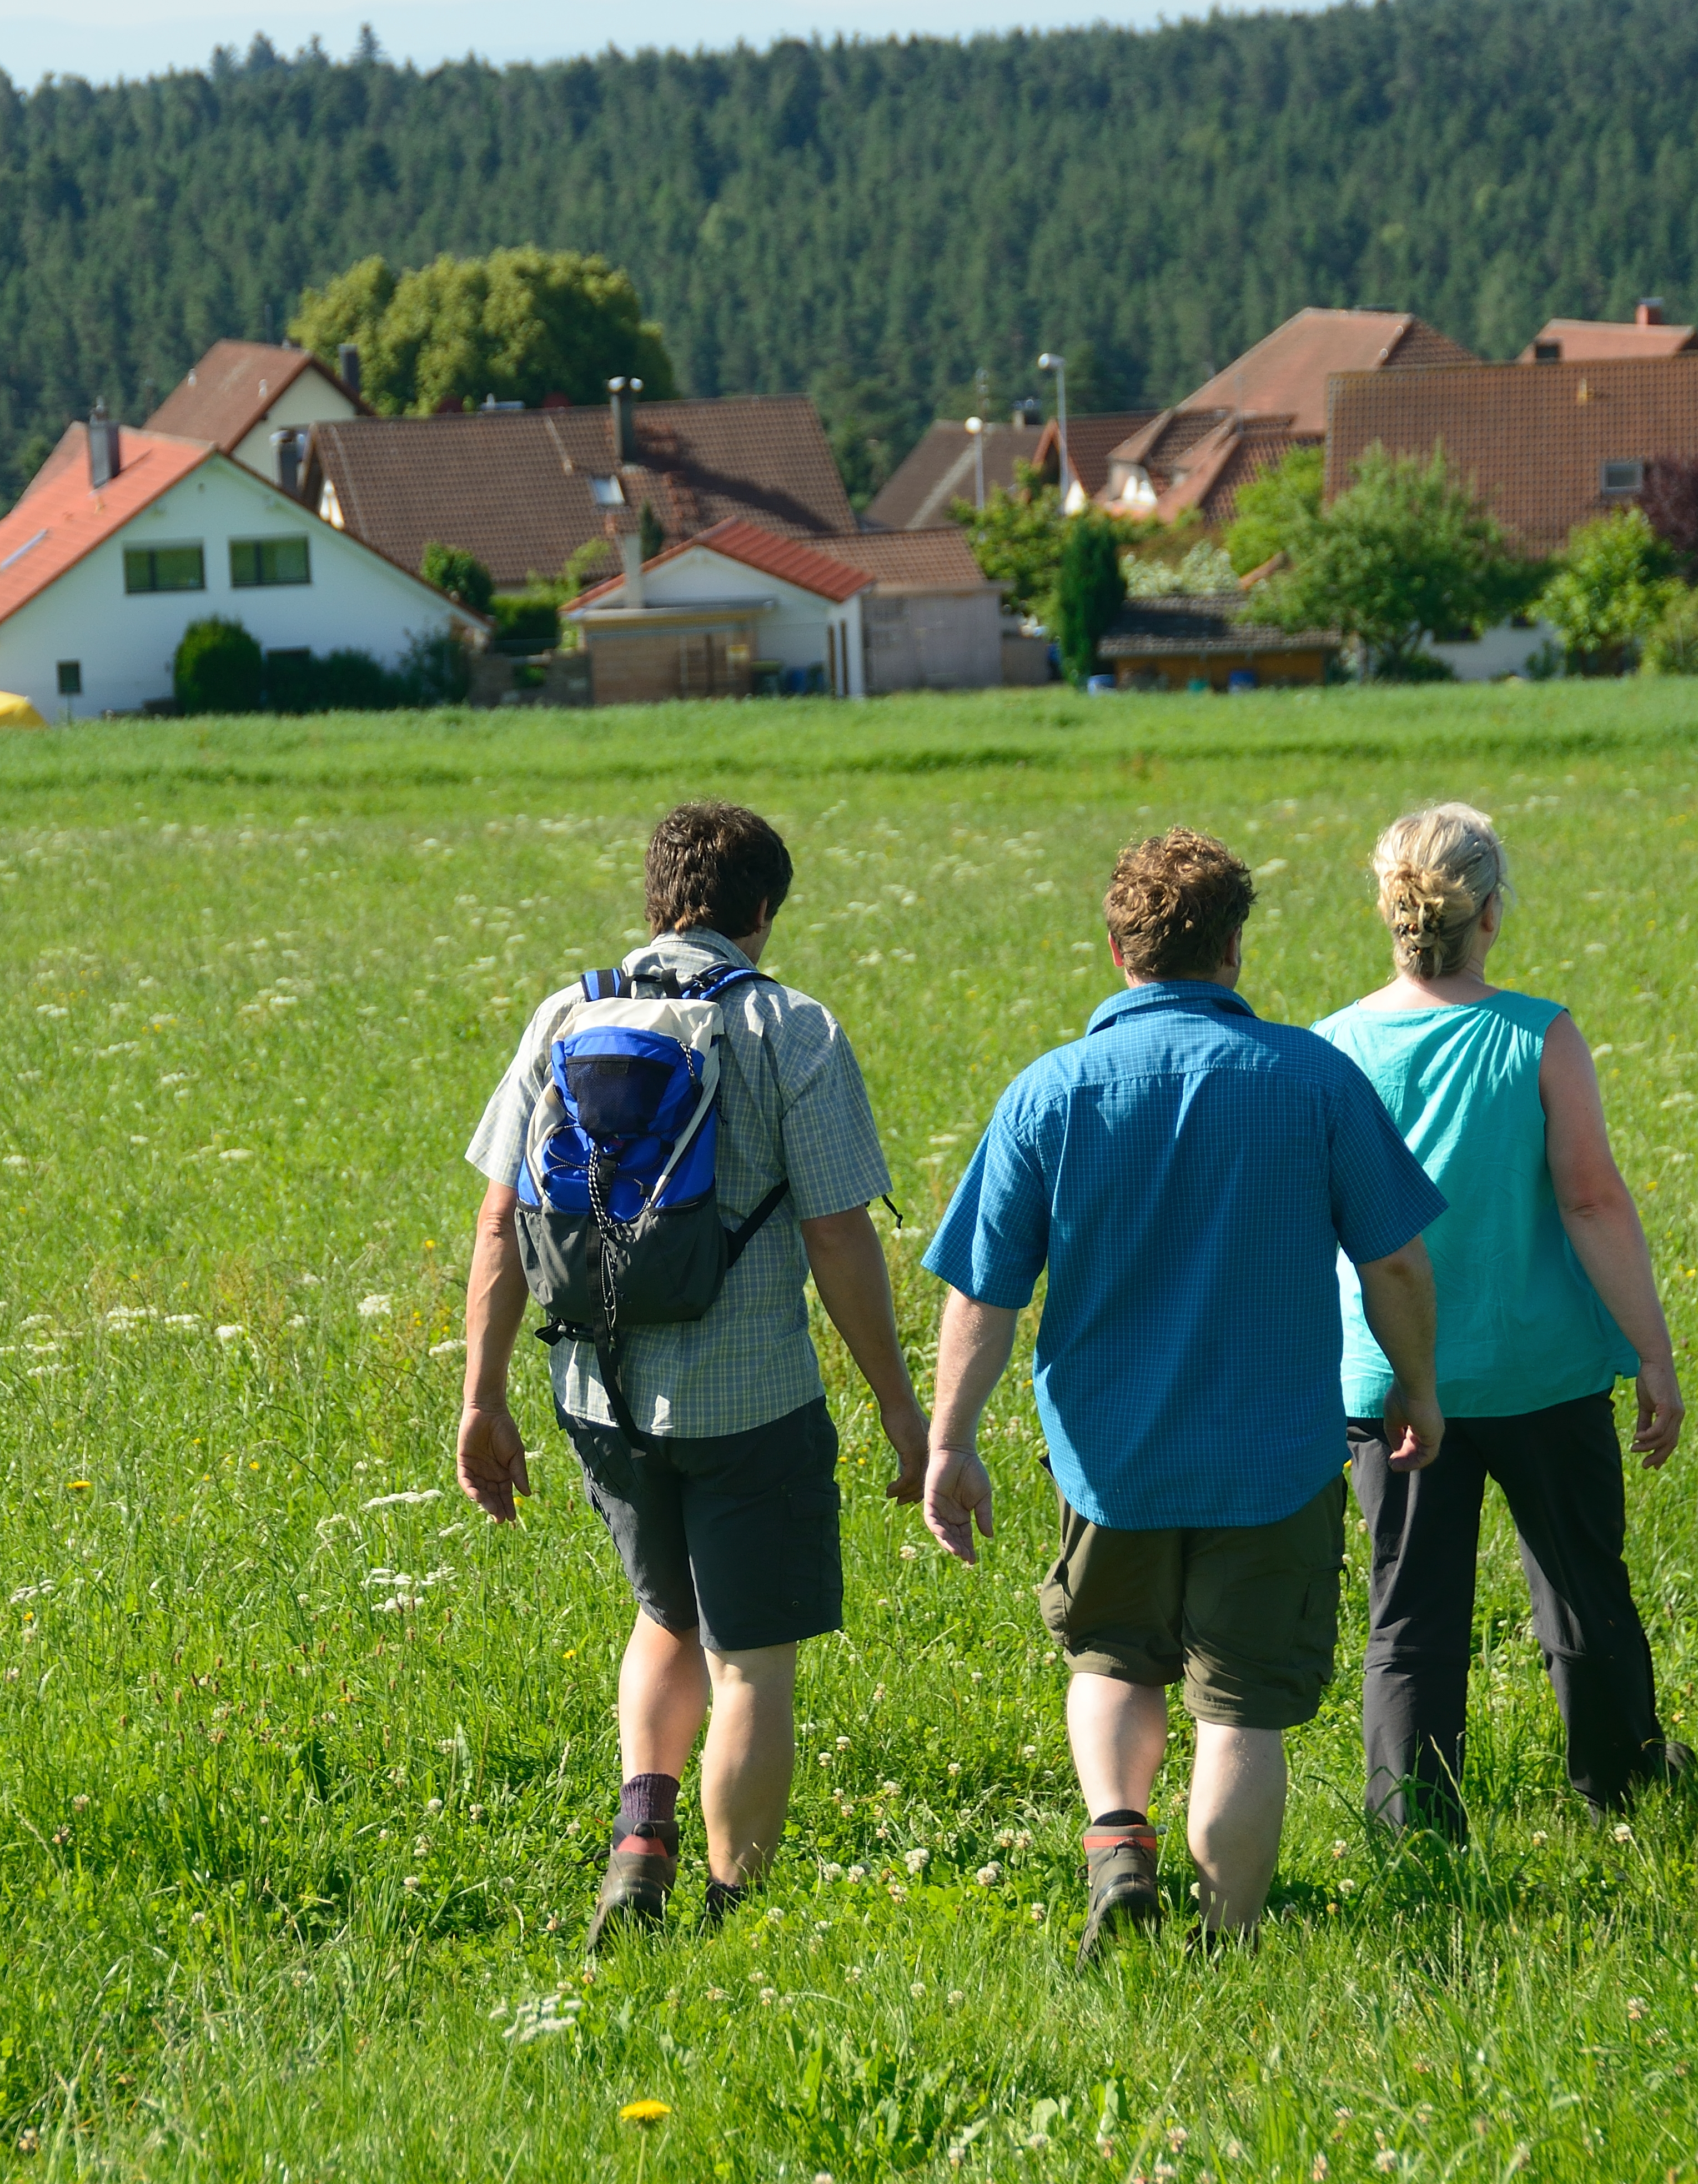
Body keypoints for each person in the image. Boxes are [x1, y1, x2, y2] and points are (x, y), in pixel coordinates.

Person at [920, 831, 1446, 1956]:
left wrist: (948, 1440)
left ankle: (1118, 1839)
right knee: (1241, 1708)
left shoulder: (1047, 1092)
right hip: (1274, 1456)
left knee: (1109, 1658)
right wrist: (1415, 1386)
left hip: (1110, 1460)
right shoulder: (1312, 1078)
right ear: (1233, 947)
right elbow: (1396, 1262)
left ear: (1117, 948)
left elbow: (981, 1292)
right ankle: (1227, 1937)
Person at [458, 800, 927, 1948]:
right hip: (750, 1396)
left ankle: (638, 1839)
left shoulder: (565, 1010)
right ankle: (730, 1911)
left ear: (653, 898)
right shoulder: (788, 1027)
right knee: (749, 1655)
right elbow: (836, 1235)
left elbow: (498, 1221)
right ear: (761, 911)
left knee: (662, 1611)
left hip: (594, 1393)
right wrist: (899, 1406)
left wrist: (481, 1396)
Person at [1321, 804, 1695, 1839]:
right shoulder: (1538, 1034)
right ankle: (1620, 1787)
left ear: (1391, 913)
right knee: (1584, 1590)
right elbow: (1591, 1202)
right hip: (1542, 1370)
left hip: (1390, 1379)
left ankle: (1412, 1828)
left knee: (1408, 1616)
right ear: (1489, 914)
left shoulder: (1333, 1046)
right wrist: (1652, 1356)